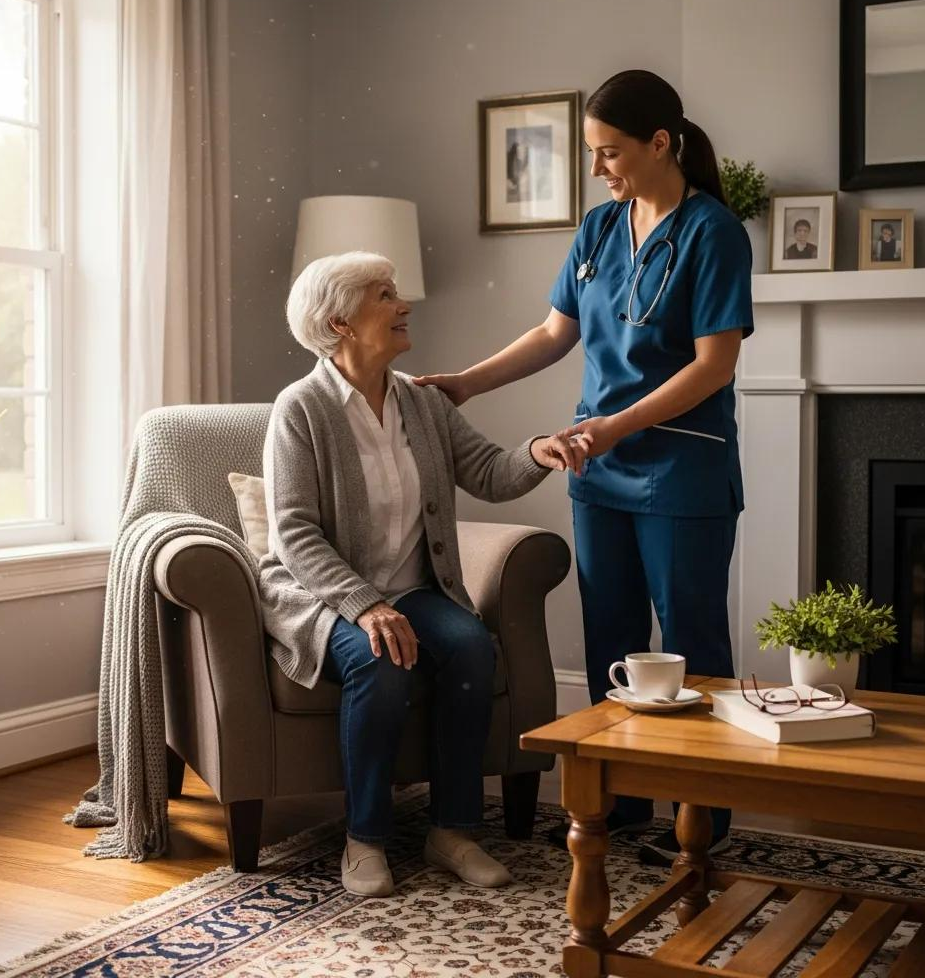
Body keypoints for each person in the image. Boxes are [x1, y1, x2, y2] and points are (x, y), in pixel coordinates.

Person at [416, 69, 754, 866]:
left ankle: (703, 818)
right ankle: (623, 802)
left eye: (610, 152)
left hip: (683, 469)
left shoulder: (714, 232)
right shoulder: (599, 231)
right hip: (596, 470)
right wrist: (465, 382)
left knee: (692, 646)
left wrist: (618, 426)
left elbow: (714, 366)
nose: (599, 169)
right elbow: (551, 335)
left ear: (660, 143)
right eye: (593, 154)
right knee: (611, 637)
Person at [259, 251, 585, 898]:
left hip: (412, 588)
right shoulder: (299, 410)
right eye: (384, 295)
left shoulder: (422, 402)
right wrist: (363, 605)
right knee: (379, 660)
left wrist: (540, 452)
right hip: (325, 596)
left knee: (469, 646)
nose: (403, 304)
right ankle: (366, 837)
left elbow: (488, 472)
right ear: (341, 324)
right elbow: (293, 533)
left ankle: (452, 831)